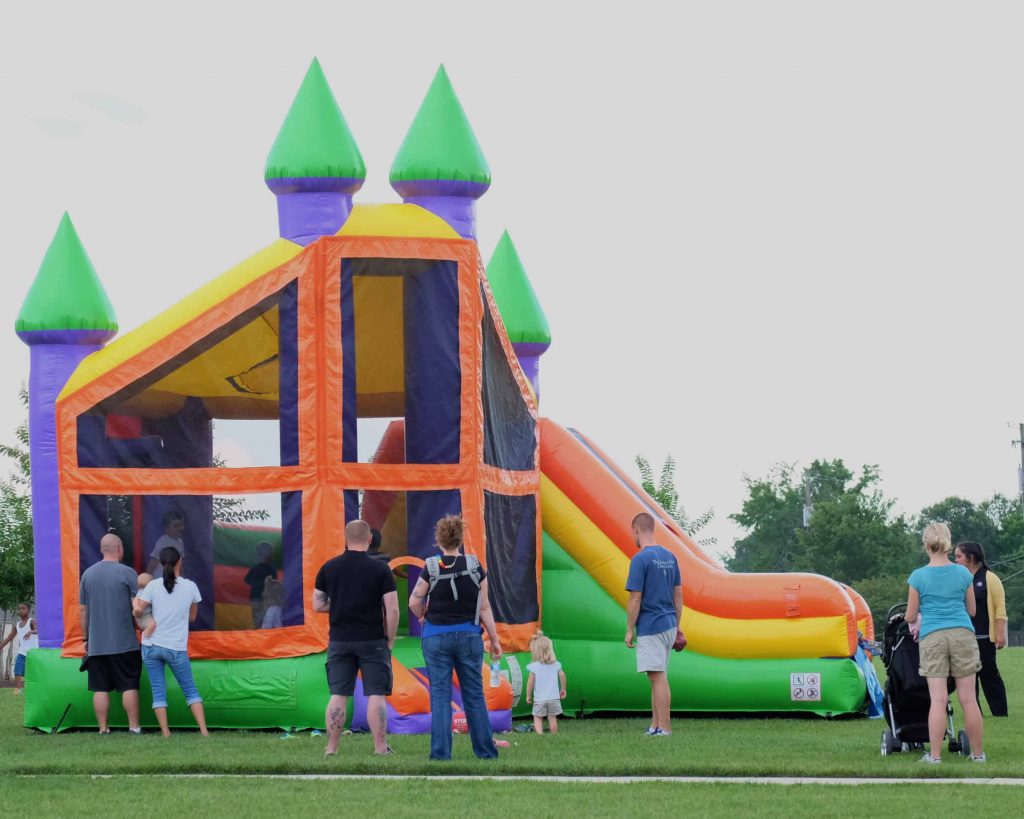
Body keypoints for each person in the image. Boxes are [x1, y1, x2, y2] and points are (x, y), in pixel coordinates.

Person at [409, 514, 504, 761]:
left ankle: (440, 754)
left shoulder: (431, 567)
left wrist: (423, 616)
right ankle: (485, 752)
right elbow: (484, 607)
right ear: (461, 538)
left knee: (440, 695)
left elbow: (414, 601)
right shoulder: (474, 566)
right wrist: (494, 639)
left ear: (438, 540)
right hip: (469, 636)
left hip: (436, 637)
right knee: (474, 695)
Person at [313, 519, 399, 757]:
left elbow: (317, 605)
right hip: (373, 640)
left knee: (338, 694)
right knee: (376, 693)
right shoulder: (381, 569)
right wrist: (389, 639)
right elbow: (392, 609)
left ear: (345, 538)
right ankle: (380, 748)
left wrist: (341, 603)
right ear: (370, 539)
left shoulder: (329, 568)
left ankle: (331, 748)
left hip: (339, 640)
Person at [906, 523, 985, 763]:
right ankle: (978, 755)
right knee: (968, 698)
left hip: (933, 636)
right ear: (948, 544)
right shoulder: (963, 573)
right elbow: (972, 610)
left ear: (926, 545)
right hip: (962, 633)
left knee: (938, 700)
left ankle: (935, 756)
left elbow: (910, 616)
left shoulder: (918, 576)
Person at [135, 546, 208, 737]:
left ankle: (166, 733)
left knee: (158, 691)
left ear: (160, 564)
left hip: (151, 645)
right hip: (176, 646)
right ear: (180, 561)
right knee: (190, 690)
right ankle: (204, 731)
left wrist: (136, 604)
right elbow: (192, 618)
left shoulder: (152, 586)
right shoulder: (191, 587)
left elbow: (139, 610)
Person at [625, 511, 683, 737]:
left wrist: (630, 629)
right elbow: (678, 595)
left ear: (636, 530)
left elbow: (635, 598)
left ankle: (665, 728)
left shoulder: (640, 559)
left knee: (658, 677)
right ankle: (655, 725)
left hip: (651, 625)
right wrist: (677, 626)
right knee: (655, 675)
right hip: (668, 623)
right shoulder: (670, 556)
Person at [79, 533, 143, 734]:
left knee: (100, 688)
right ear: (120, 548)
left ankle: (102, 728)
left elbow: (83, 610)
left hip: (97, 644)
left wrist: (86, 638)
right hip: (125, 642)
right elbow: (139, 606)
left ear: (101, 549)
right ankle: (133, 727)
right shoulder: (128, 573)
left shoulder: (88, 574)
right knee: (129, 685)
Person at [954, 541, 1008, 717]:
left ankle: (1000, 713)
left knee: (989, 676)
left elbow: (1000, 608)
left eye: (959, 556)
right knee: (969, 679)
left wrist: (1000, 634)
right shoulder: (960, 579)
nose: (956, 560)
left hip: (984, 637)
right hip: (964, 637)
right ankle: (974, 713)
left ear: (971, 557)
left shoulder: (989, 578)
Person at [525, 631, 566, 734]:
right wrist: (563, 689)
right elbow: (562, 675)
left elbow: (530, 681)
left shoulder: (534, 666)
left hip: (540, 699)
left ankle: (540, 735)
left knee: (538, 717)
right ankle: (554, 735)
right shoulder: (556, 664)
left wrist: (528, 695)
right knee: (552, 718)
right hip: (554, 698)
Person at [0, 603, 37, 695]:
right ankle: (18, 690)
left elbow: (38, 630)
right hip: (22, 652)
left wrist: (31, 632)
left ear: (28, 610)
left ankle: (35, 689)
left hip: (33, 652)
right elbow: (9, 638)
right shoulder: (16, 625)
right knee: (17, 670)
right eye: (19, 609)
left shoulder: (31, 621)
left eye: (23, 609)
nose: (20, 610)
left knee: (33, 673)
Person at [244, 541, 278, 629]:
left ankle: (259, 635)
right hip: (266, 600)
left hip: (256, 599)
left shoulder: (256, 568)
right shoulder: (271, 569)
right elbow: (273, 583)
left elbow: (246, 580)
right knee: (267, 622)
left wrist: (256, 584)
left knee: (259, 621)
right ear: (270, 556)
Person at [147, 510, 186, 575]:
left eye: (181, 525)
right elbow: (152, 564)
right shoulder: (162, 543)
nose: (180, 528)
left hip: (174, 579)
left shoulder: (180, 542)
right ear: (166, 528)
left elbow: (180, 563)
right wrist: (149, 580)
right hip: (161, 579)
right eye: (175, 526)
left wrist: (181, 577)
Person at [133, 573, 157, 642]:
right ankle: (145, 639)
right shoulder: (146, 591)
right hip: (144, 616)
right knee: (152, 625)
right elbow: (136, 599)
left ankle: (136, 608)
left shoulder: (140, 591)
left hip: (144, 615)